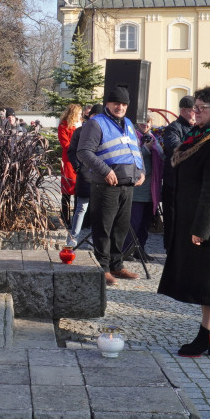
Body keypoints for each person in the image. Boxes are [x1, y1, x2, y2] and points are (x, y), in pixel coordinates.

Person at [157, 86, 210, 357]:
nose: (195, 112)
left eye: (201, 107)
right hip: (198, 219)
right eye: (194, 107)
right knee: (205, 281)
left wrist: (202, 228)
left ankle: (206, 335)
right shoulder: (199, 137)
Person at [75, 86, 145, 285]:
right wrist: (105, 171)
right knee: (104, 227)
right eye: (116, 104)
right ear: (107, 104)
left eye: (124, 104)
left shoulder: (129, 123)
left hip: (128, 183)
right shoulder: (96, 123)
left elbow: (134, 149)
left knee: (121, 227)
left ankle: (116, 264)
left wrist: (141, 171)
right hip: (106, 184)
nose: (120, 107)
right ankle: (103, 267)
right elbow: (84, 152)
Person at [124, 115, 163, 261]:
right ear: (137, 123)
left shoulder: (153, 138)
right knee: (133, 222)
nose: (145, 124)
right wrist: (146, 149)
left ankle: (140, 249)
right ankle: (126, 250)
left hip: (150, 190)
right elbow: (131, 158)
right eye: (142, 121)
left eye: (148, 122)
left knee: (145, 224)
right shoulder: (133, 137)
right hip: (137, 190)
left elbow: (161, 158)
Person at [65, 104, 102, 248]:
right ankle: (73, 238)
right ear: (89, 116)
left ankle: (95, 239)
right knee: (81, 208)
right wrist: (78, 167)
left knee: (98, 210)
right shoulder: (80, 131)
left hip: (101, 175)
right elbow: (71, 151)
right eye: (94, 116)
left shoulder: (104, 131)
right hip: (85, 174)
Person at [160, 96, 196, 244]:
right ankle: (170, 249)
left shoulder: (197, 128)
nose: (197, 113)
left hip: (190, 182)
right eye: (194, 110)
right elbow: (176, 149)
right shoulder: (173, 128)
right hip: (174, 182)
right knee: (173, 219)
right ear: (184, 111)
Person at [58, 104, 85, 227]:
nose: (81, 116)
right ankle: (65, 218)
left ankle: (77, 219)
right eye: (79, 113)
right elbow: (65, 144)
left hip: (80, 159)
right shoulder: (64, 125)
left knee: (78, 189)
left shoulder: (82, 126)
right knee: (67, 189)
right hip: (68, 160)